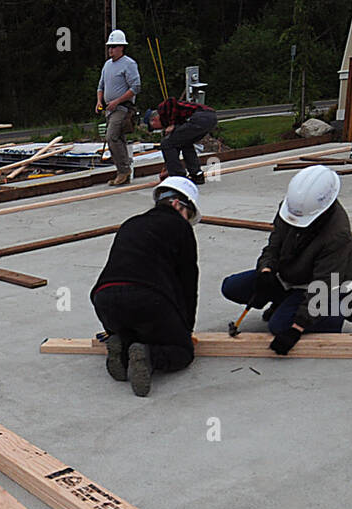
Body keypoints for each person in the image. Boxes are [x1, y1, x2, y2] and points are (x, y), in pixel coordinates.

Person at [220, 164, 352, 355]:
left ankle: (348, 304)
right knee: (231, 287)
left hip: (322, 287)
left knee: (280, 326)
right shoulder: (293, 208)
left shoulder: (337, 236)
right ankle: (285, 300)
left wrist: (297, 328)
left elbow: (322, 286)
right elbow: (274, 246)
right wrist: (266, 271)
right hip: (290, 276)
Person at [90, 176, 201, 397]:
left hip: (104, 298)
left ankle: (121, 345)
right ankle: (150, 357)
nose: (187, 221)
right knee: (182, 352)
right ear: (178, 204)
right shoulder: (180, 227)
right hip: (147, 299)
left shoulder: (131, 222)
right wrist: (185, 330)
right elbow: (187, 281)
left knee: (138, 330)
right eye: (188, 215)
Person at [95, 30, 141, 186]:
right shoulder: (107, 65)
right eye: (110, 47)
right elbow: (100, 86)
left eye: (114, 47)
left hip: (122, 108)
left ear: (122, 47)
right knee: (118, 138)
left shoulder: (129, 64)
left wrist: (117, 101)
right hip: (110, 110)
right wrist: (99, 101)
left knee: (112, 137)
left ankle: (123, 170)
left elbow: (135, 87)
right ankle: (124, 172)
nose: (110, 50)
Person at [144, 97, 217, 185]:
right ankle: (197, 175)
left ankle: (178, 177)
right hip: (211, 118)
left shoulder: (162, 109)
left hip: (200, 116)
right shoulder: (175, 117)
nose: (160, 129)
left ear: (154, 120)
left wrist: (172, 123)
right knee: (185, 143)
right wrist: (167, 168)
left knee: (166, 143)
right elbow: (175, 148)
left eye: (154, 128)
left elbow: (171, 101)